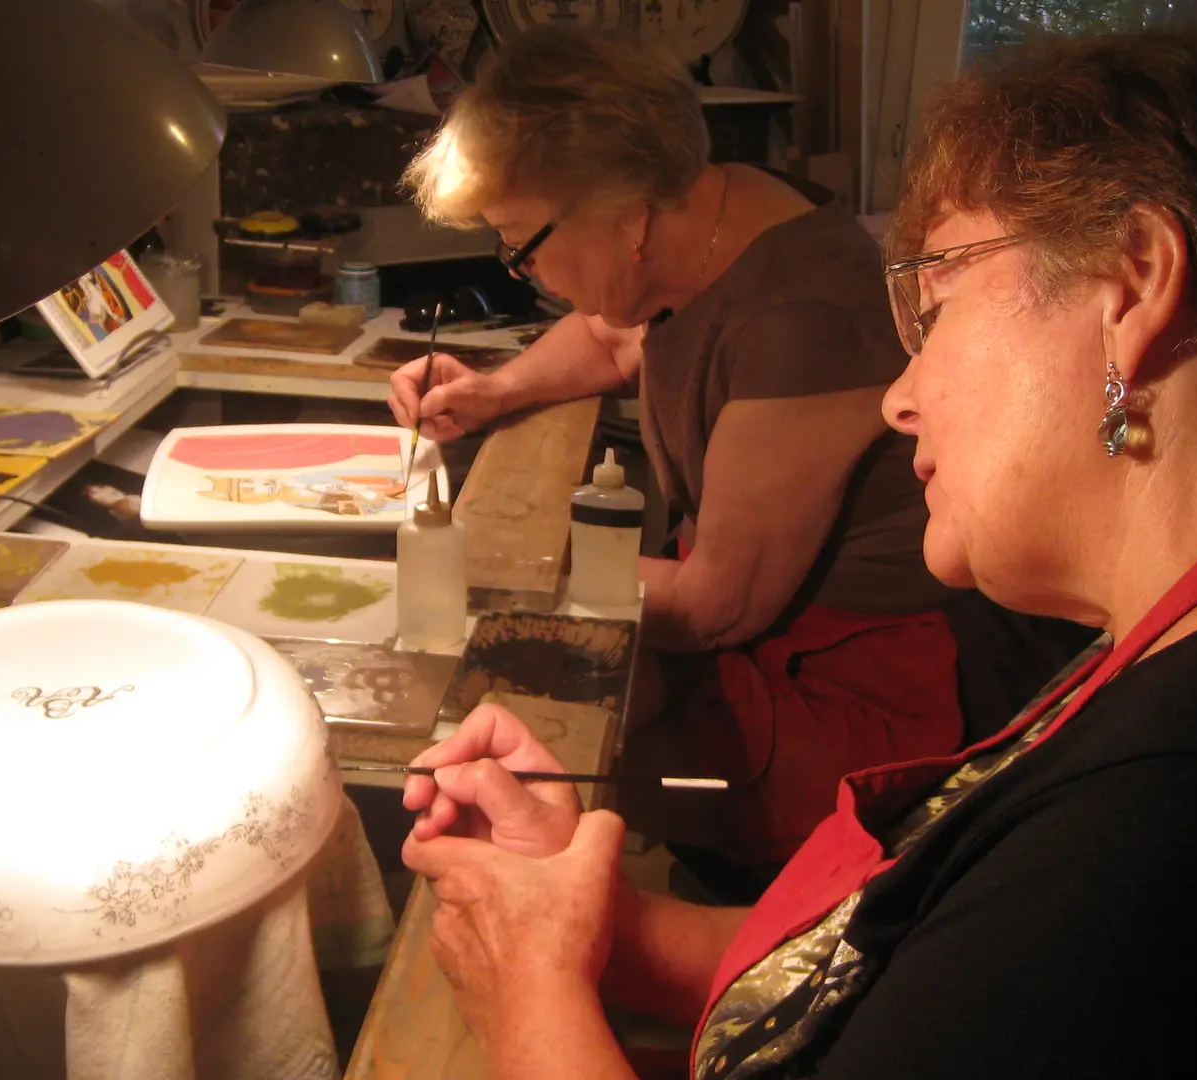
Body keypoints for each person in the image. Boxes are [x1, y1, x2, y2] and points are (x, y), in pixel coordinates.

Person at [396, 23, 1197, 1079]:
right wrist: (600, 924)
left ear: (1134, 287)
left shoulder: (1179, 827)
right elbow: (912, 978)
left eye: (942, 301)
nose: (899, 396)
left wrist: (528, 989)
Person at [391, 25, 1087, 888]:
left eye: (521, 244)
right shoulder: (721, 210)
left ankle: (719, 929)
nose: (522, 273)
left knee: (537, 746)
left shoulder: (800, 320)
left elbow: (720, 604)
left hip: (869, 677)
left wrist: (496, 567)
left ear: (629, 217)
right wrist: (498, 389)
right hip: (774, 619)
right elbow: (616, 336)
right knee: (530, 716)